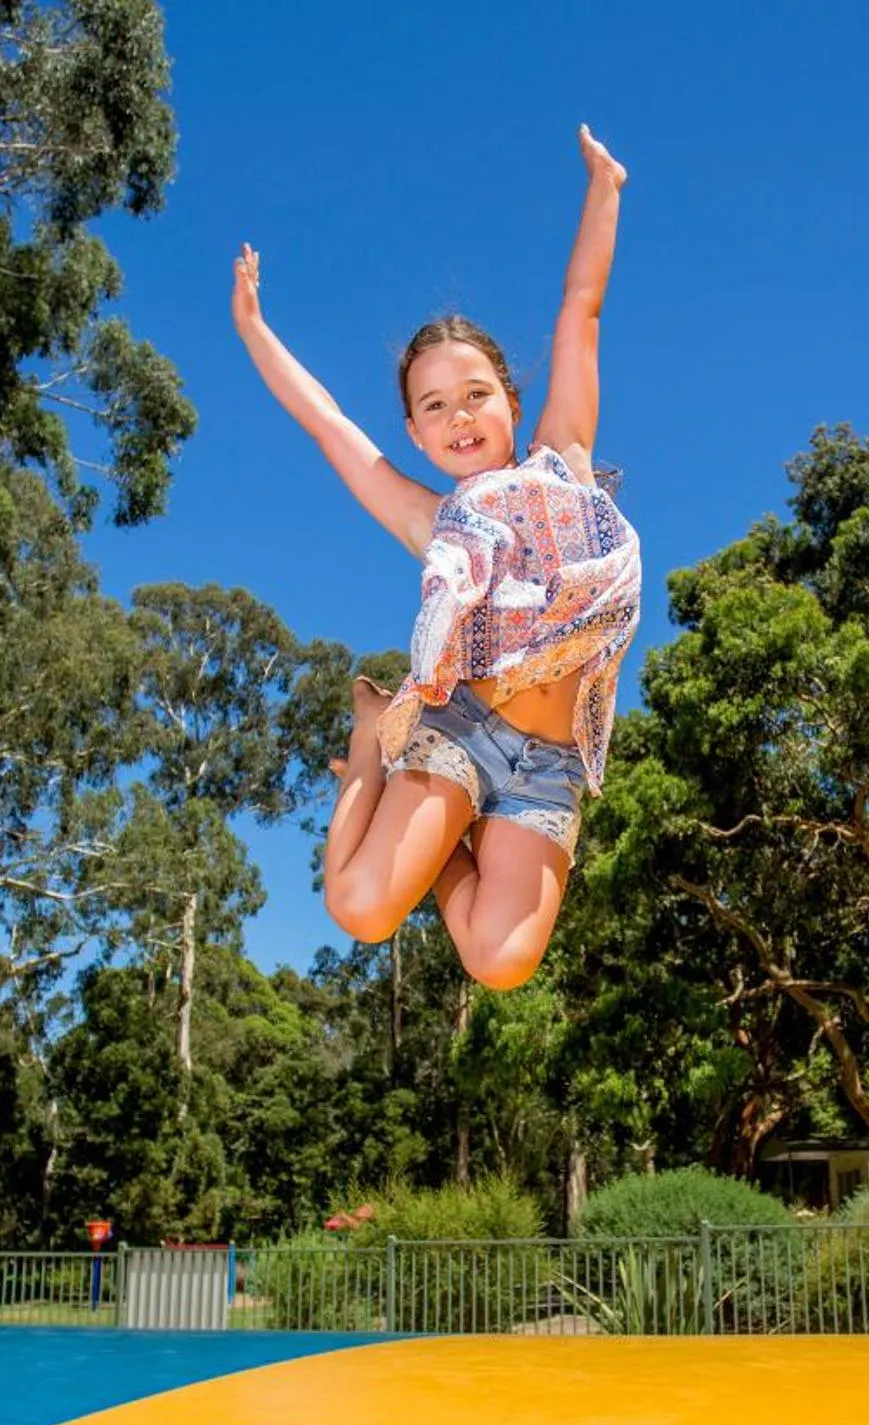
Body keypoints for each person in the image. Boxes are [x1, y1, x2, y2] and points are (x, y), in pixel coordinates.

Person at [231, 125, 639, 991]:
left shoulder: (559, 459)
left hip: (550, 766)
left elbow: (581, 309)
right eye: (434, 406)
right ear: (415, 431)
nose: (460, 416)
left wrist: (604, 189)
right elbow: (332, 428)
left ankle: (445, 835)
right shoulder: (434, 516)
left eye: (476, 395)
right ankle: (371, 737)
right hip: (462, 731)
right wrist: (254, 330)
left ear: (511, 400)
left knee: (500, 962)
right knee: (361, 908)